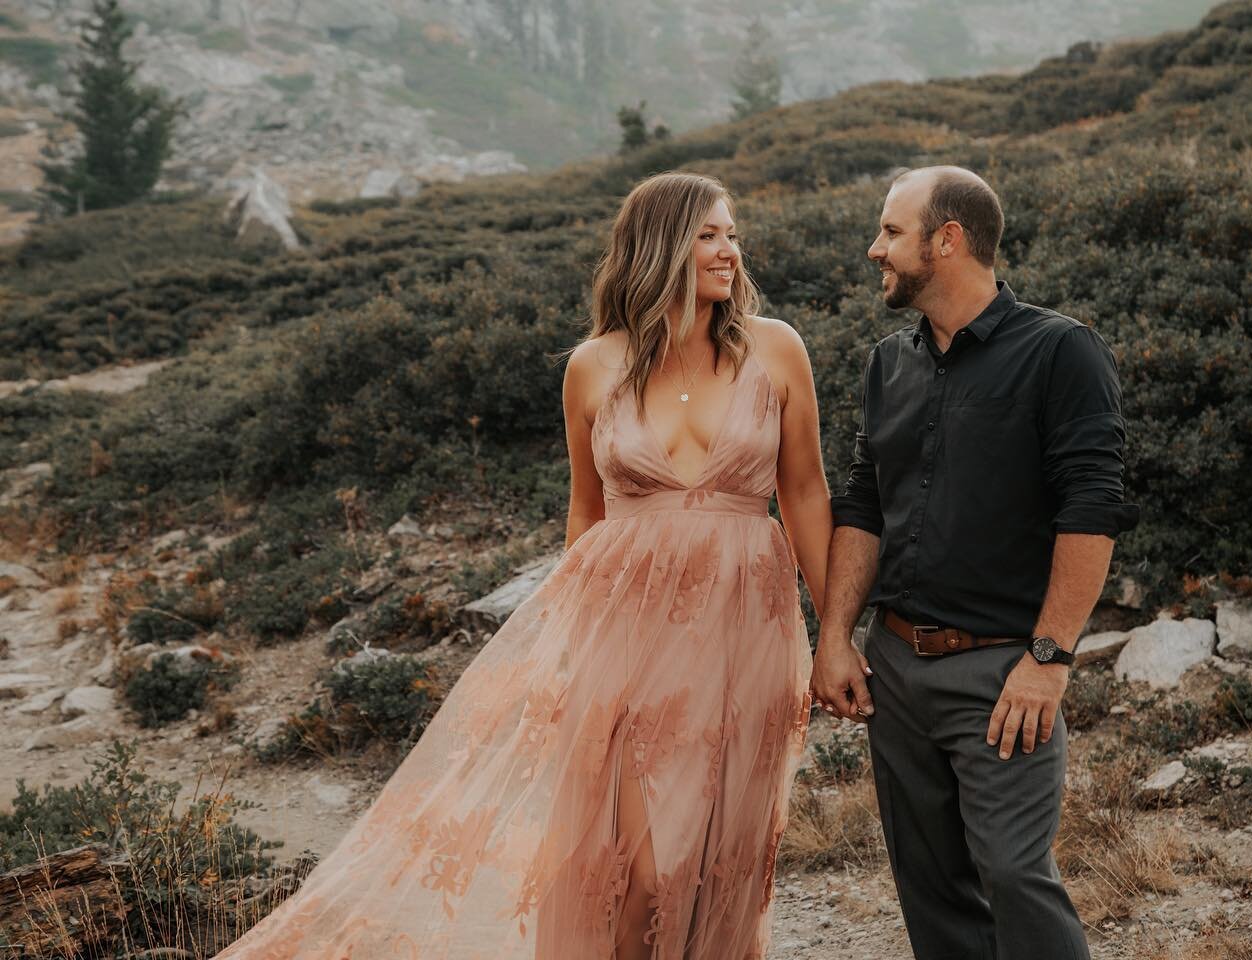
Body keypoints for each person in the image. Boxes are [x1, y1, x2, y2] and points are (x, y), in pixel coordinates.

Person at [210, 171, 830, 959]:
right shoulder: (592, 366)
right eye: (710, 234)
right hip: (627, 639)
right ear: (661, 246)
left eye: (734, 234)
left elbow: (806, 495)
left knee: (720, 859)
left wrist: (837, 630)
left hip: (747, 630)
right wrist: (574, 643)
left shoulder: (776, 348)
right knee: (643, 870)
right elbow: (587, 512)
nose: (730, 252)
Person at [810, 166, 1139, 960]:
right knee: (932, 889)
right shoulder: (888, 364)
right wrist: (834, 637)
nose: (873, 250)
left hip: (1001, 674)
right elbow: (862, 503)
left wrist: (1050, 658)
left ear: (947, 240)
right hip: (895, 668)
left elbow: (1092, 509)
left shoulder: (1063, 352)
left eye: (891, 232)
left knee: (1016, 875)